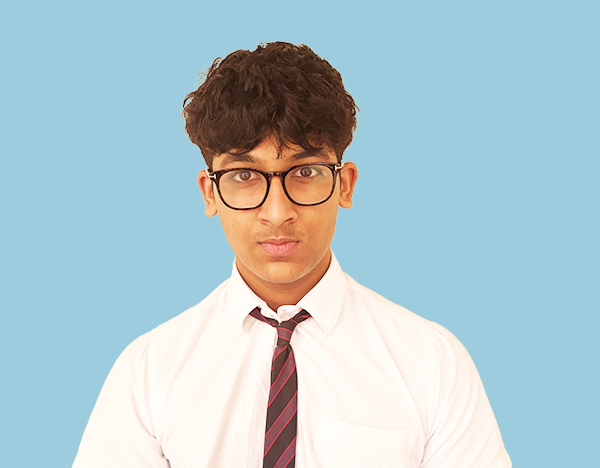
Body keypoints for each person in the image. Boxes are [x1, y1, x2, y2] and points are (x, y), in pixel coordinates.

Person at [73, 42, 511, 468]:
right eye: (244, 175)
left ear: (345, 185)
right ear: (210, 193)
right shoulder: (148, 373)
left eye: (305, 171)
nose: (277, 212)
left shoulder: (431, 364)